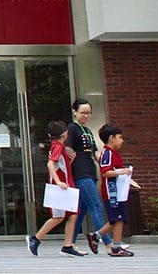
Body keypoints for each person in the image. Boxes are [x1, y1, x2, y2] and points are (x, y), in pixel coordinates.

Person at [28, 120, 84, 257]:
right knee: (59, 217)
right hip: (61, 186)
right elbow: (50, 164)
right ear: (65, 134)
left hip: (65, 185)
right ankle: (35, 239)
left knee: (72, 214)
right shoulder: (58, 147)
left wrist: (69, 161)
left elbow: (59, 165)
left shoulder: (56, 146)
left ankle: (68, 245)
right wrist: (58, 182)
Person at [65, 98, 114, 254]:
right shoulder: (73, 128)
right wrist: (72, 161)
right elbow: (67, 147)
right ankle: (108, 243)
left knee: (80, 210)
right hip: (80, 172)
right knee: (96, 206)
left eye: (88, 113)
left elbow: (94, 153)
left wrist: (108, 165)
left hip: (90, 171)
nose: (86, 116)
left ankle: (69, 244)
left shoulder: (87, 130)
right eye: (83, 113)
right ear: (75, 112)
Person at [97, 123, 140, 257]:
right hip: (112, 193)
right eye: (120, 137)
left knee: (119, 218)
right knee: (117, 218)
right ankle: (113, 246)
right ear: (112, 138)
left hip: (117, 192)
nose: (122, 141)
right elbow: (105, 172)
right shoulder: (107, 154)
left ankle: (101, 239)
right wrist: (121, 172)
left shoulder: (113, 154)